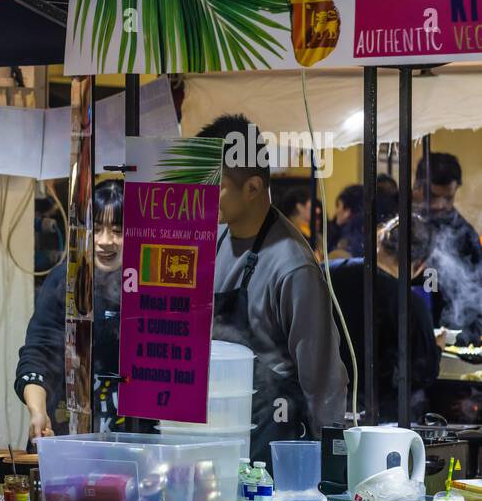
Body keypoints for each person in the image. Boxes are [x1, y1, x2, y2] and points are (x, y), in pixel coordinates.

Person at [199, 114, 348, 461]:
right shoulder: (210, 240)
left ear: (252, 188)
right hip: (213, 433)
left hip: (272, 444)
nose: (203, 191)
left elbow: (322, 377)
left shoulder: (292, 265)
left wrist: (329, 465)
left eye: (213, 182)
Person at [14, 182, 150, 441]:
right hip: (69, 433)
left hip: (137, 440)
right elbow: (39, 352)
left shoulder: (151, 285)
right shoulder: (64, 280)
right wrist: (38, 411)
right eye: (96, 229)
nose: (104, 241)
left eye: (118, 231)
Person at [328, 211, 439, 423]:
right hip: (378, 421)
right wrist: (438, 347)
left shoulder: (326, 274)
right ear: (419, 264)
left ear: (378, 238)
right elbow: (422, 373)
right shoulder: (410, 305)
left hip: (315, 407)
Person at [417, 152, 482, 341]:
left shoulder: (465, 236)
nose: (439, 205)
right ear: (417, 186)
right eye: (433, 196)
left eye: (448, 198)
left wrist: (466, 336)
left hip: (452, 336)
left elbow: (478, 291)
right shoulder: (401, 227)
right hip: (408, 333)